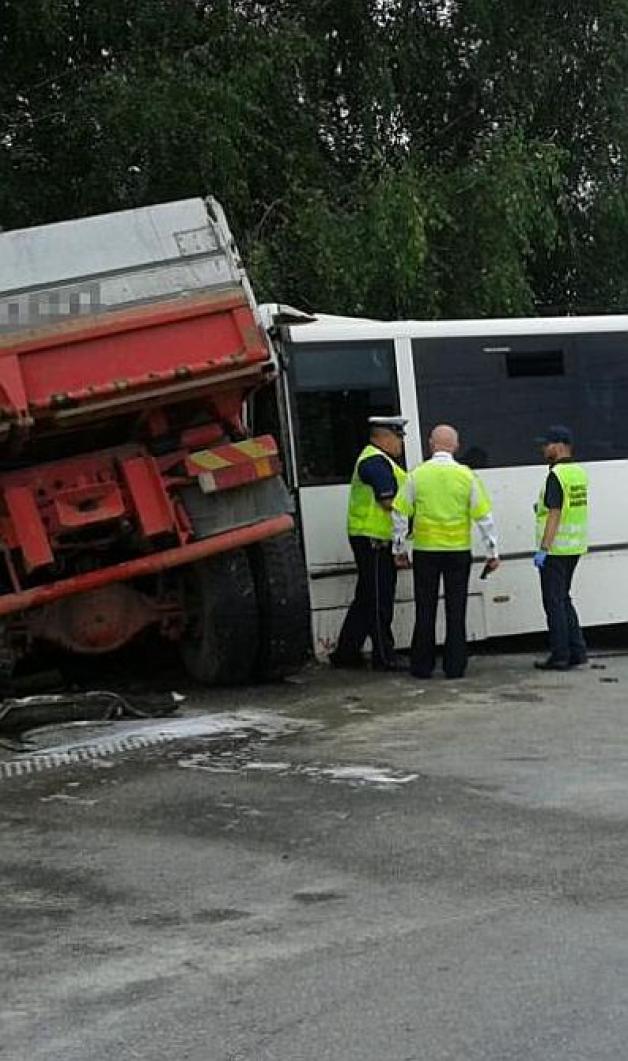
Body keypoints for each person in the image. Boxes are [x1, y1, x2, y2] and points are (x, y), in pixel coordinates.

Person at [393, 424, 499, 680]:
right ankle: (455, 666)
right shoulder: (467, 476)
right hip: (458, 552)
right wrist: (492, 551)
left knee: (425, 609)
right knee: (456, 608)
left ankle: (422, 666)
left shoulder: (417, 475)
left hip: (426, 551)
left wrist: (399, 547)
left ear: (431, 445)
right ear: (456, 446)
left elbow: (399, 512)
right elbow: (484, 517)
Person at [330, 416, 408, 671]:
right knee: (379, 599)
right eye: (398, 437)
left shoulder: (378, 460)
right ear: (383, 437)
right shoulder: (374, 461)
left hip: (372, 539)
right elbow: (389, 501)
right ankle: (383, 656)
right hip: (373, 541)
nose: (401, 444)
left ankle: (346, 652)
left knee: (366, 598)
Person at [533, 425, 588, 670]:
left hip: (555, 550)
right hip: (574, 546)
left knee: (553, 602)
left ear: (559, 445)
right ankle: (578, 650)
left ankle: (560, 655)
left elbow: (555, 513)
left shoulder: (556, 475)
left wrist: (544, 548)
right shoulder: (578, 472)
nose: (543, 449)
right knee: (564, 599)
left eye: (546, 444)